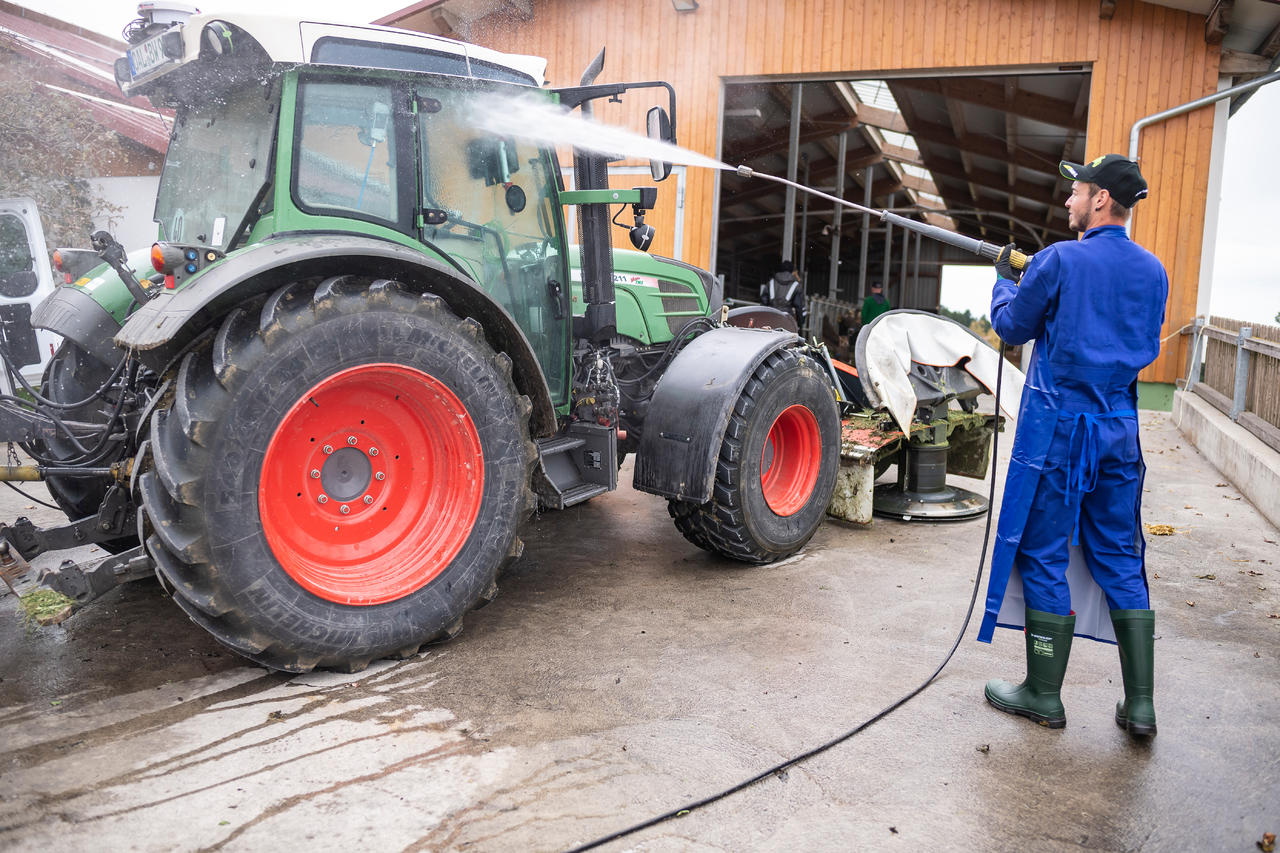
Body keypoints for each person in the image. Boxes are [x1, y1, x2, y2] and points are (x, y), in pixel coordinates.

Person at [978, 154, 1168, 738]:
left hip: (1060, 430)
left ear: (1101, 200)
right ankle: (1140, 705)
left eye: (1076, 192)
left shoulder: (1058, 260)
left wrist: (1004, 283)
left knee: (1042, 551)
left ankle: (1043, 694)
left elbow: (1011, 329)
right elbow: (1147, 344)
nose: (1068, 201)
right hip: (1118, 428)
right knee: (1119, 553)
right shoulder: (1154, 270)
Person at [760, 259, 806, 331]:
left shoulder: (771, 282)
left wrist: (762, 320)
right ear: (792, 271)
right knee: (785, 341)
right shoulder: (796, 285)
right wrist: (800, 323)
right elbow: (799, 307)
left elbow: (763, 303)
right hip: (786, 320)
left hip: (771, 318)